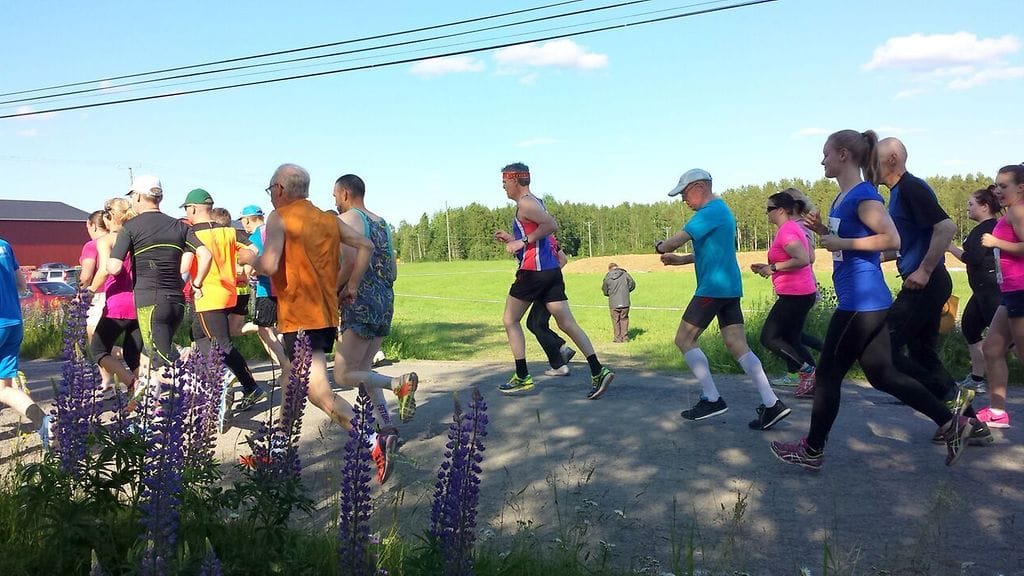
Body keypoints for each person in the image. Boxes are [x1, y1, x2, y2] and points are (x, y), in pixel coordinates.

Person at [770, 129, 975, 471]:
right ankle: (952, 423)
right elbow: (848, 241)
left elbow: (891, 239)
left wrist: (842, 243)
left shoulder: (865, 195)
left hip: (860, 301)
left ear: (843, 155)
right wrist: (823, 232)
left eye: (826, 154)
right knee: (882, 374)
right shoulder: (842, 198)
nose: (822, 161)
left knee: (828, 375)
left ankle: (812, 450)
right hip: (863, 299)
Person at [238, 163, 407, 484]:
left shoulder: (280, 217)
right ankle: (278, 446)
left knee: (318, 392)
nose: (271, 195)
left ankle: (374, 441)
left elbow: (269, 265)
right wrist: (352, 285)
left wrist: (250, 260)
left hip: (300, 316)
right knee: (291, 377)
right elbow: (367, 245)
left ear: (280, 189)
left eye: (271, 189)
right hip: (326, 315)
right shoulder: (327, 219)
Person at [657, 168, 790, 430]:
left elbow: (673, 242)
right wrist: (681, 261)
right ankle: (772, 403)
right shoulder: (721, 210)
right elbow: (713, 252)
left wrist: (660, 246)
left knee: (684, 339)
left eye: (684, 193)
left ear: (699, 188)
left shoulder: (709, 212)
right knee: (736, 343)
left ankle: (712, 398)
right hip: (729, 287)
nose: (683, 199)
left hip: (713, 288)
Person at [876, 137, 976, 424]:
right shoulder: (899, 193)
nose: (868, 167)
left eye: (873, 160)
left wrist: (924, 270)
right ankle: (972, 424)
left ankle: (949, 394)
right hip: (926, 282)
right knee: (922, 354)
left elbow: (946, 227)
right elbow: (908, 243)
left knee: (882, 348)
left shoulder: (910, 187)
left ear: (893, 159)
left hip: (926, 283)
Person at [493, 162, 614, 399]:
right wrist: (512, 239)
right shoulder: (535, 201)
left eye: (505, 182)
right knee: (566, 323)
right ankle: (598, 370)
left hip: (533, 272)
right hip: (550, 271)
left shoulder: (526, 203)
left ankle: (522, 376)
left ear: (515, 180)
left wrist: (521, 241)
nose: (503, 186)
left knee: (510, 320)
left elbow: (550, 225)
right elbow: (540, 236)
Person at [332, 173, 419, 435]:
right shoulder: (382, 223)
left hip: (358, 300)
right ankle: (386, 425)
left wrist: (333, 291)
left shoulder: (347, 220)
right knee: (365, 370)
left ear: (345, 193)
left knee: (343, 375)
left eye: (335, 196)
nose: (335, 201)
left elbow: (349, 263)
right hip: (384, 300)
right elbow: (392, 270)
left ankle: (397, 383)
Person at [109, 176, 208, 376]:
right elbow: (205, 254)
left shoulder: (131, 227)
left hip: (150, 302)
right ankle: (147, 395)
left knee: (163, 363)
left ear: (138, 196)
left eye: (133, 196)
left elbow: (114, 267)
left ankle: (205, 385)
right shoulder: (180, 226)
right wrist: (197, 283)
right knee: (151, 354)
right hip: (177, 301)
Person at [182, 190, 265, 412]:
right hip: (228, 293)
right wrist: (247, 269)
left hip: (207, 295)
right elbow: (253, 249)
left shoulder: (191, 234)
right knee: (199, 335)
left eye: (187, 209)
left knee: (222, 344)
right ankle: (220, 379)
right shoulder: (229, 232)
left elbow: (185, 264)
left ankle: (247, 385)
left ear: (192, 209)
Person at [750, 190, 818, 399]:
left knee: (769, 338)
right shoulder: (790, 228)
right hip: (800, 292)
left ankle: (808, 371)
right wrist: (768, 267)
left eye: (769, 209)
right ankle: (815, 382)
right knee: (792, 338)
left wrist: (773, 267)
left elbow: (803, 259)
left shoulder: (787, 230)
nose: (767, 213)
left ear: (781, 210)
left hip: (795, 294)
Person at [979, 164, 1024, 429]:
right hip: (1010, 291)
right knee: (992, 348)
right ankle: (997, 411)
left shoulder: (1019, 211)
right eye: (996, 185)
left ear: (1021, 187)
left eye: (1003, 186)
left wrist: (996, 243)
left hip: (1021, 289)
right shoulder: (1011, 212)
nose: (997, 191)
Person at [947, 186, 1001, 394]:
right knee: (970, 326)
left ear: (985, 207)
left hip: (990, 290)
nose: (967, 208)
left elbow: (974, 259)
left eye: (971, 204)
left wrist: (950, 247)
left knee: (1009, 339)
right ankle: (977, 379)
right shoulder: (984, 228)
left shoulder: (986, 229)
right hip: (981, 291)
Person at [89, 198, 143, 398]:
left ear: (108, 217)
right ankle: (146, 396)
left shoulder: (107, 240)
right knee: (132, 353)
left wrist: (90, 290)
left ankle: (131, 383)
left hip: (118, 303)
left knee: (98, 349)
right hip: (139, 300)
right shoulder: (137, 238)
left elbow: (105, 269)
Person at [0, 237, 51, 450]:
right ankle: (44, 422)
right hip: (13, 322)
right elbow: (22, 285)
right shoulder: (4, 245)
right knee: (4, 388)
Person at [237, 205, 287, 371]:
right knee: (279, 329)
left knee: (264, 329)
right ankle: (290, 365)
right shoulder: (276, 230)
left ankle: (286, 367)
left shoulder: (259, 234)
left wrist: (245, 272)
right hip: (284, 287)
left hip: (267, 288)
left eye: (242, 221)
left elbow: (248, 261)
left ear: (247, 220)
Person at [526, 240, 576, 377]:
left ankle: (559, 364)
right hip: (552, 284)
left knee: (537, 324)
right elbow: (563, 259)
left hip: (544, 285)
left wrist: (547, 276)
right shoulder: (550, 240)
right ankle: (561, 347)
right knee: (533, 323)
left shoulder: (537, 240)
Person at [79, 210, 113, 393]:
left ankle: (107, 382)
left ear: (91, 225)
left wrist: (81, 292)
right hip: (118, 294)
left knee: (96, 342)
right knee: (105, 338)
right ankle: (107, 382)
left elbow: (86, 275)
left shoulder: (92, 245)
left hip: (98, 294)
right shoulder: (118, 240)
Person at [210, 207, 253, 340]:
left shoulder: (217, 236)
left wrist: (245, 271)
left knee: (217, 330)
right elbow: (253, 250)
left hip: (227, 289)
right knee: (234, 330)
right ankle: (262, 327)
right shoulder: (236, 235)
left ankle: (264, 326)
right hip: (242, 289)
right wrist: (246, 272)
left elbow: (252, 250)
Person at [602, 262, 636, 343]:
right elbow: (632, 285)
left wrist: (610, 294)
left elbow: (605, 290)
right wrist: (626, 291)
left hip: (613, 302)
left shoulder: (607, 277)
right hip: (625, 301)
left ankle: (617, 338)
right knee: (624, 319)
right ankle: (625, 337)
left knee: (615, 320)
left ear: (609, 269)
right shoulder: (625, 275)